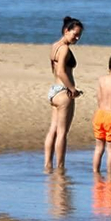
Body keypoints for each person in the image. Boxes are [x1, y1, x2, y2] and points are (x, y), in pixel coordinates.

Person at [43, 16, 84, 173]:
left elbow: (54, 70)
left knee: (52, 130)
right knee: (62, 133)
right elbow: (60, 71)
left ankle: (47, 165)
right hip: (63, 93)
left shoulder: (55, 46)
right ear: (66, 31)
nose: (77, 38)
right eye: (75, 34)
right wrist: (72, 88)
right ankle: (60, 167)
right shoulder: (65, 49)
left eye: (79, 35)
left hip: (54, 91)